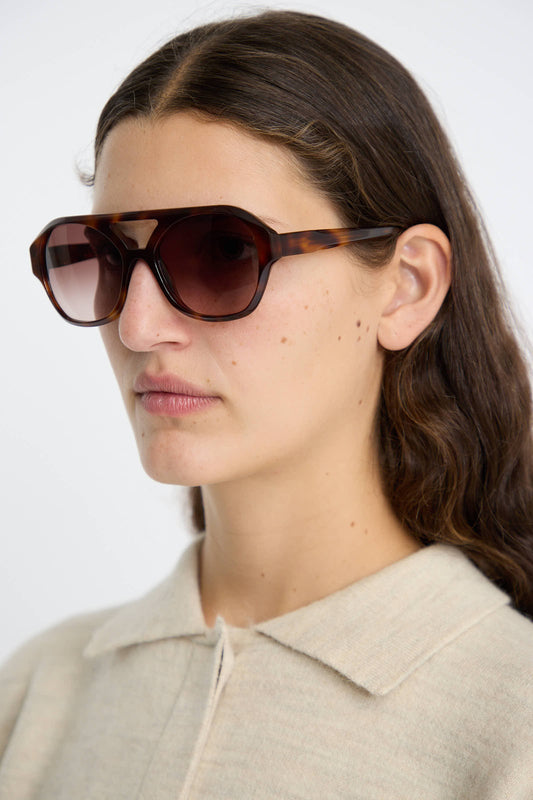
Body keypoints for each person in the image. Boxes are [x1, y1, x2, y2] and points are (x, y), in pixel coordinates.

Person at [2, 9, 532, 799]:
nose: (138, 325)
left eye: (221, 251)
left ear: (407, 285)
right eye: (108, 259)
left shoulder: (508, 721)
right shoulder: (37, 694)